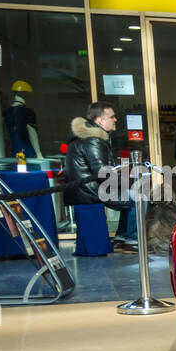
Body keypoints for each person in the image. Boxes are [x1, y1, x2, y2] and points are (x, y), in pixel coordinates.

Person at [64, 101, 132, 253]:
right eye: (112, 116)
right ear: (100, 120)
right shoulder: (93, 139)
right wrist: (126, 183)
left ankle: (122, 238)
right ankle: (130, 240)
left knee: (132, 198)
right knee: (137, 200)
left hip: (83, 191)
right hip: (91, 192)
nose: (115, 120)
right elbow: (102, 172)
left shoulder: (86, 137)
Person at [3, 80, 42, 159]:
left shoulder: (7, 112)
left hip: (13, 153)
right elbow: (32, 133)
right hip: (28, 153)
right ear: (24, 94)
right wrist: (39, 153)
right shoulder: (27, 112)